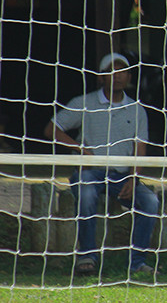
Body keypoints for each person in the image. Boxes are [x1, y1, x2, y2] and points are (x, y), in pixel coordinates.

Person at [46, 52, 159, 276]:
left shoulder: (137, 109)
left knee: (151, 201)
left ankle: (137, 263)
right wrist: (78, 147)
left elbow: (140, 148)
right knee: (86, 192)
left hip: (121, 175)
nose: (117, 76)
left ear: (129, 76)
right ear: (101, 77)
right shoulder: (84, 103)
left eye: (122, 71)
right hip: (90, 173)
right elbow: (52, 129)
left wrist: (133, 177)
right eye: (111, 72)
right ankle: (87, 256)